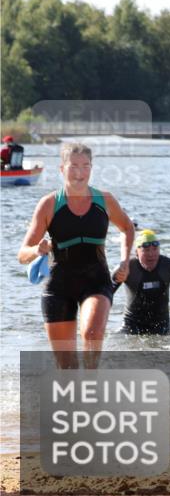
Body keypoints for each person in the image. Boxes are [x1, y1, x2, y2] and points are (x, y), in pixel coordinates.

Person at [17, 143, 134, 369]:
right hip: (58, 287)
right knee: (67, 367)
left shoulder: (105, 200)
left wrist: (124, 261)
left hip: (96, 282)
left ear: (92, 168)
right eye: (73, 166)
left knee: (92, 333)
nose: (80, 172)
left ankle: (91, 392)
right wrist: (37, 250)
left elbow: (127, 228)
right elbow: (22, 254)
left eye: (86, 166)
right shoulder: (49, 204)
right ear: (62, 169)